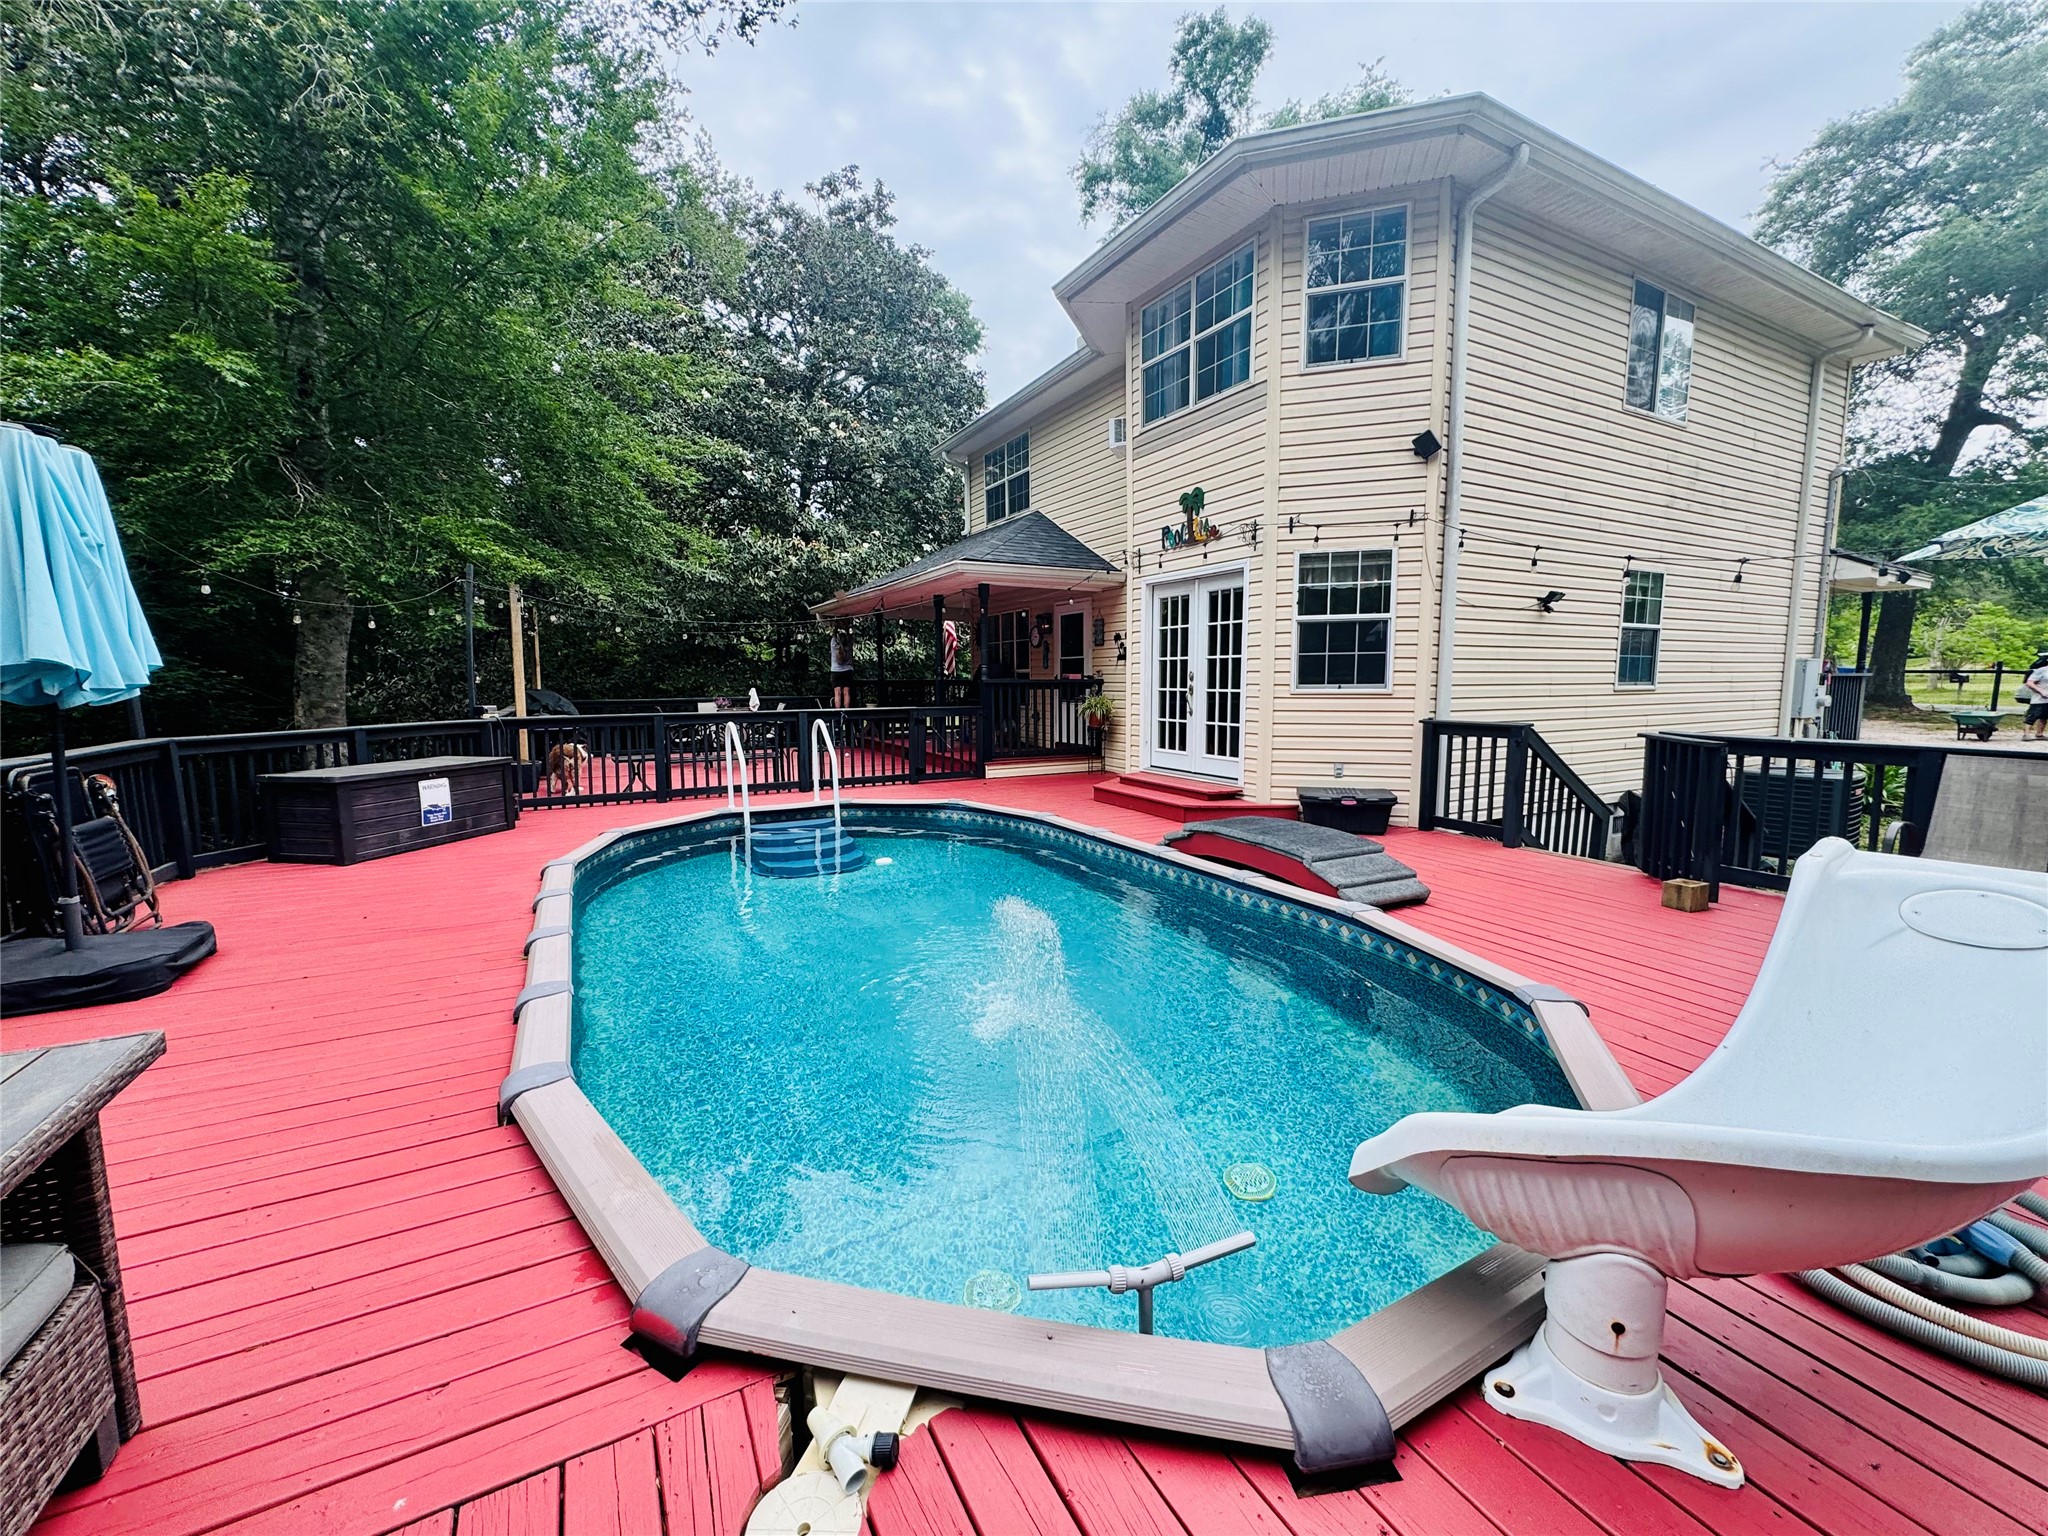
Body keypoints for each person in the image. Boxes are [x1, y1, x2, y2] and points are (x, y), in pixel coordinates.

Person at [2022, 651, 2048, 743]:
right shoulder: (2041, 671)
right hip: (2039, 698)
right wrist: (2041, 691)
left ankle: (2039, 733)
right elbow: (2029, 682)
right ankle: (2026, 734)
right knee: (2032, 715)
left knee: (2044, 717)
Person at [829, 623, 854, 709]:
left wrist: (836, 626)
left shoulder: (834, 645)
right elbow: (850, 635)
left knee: (837, 692)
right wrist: (846, 627)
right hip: (847, 671)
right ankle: (846, 712)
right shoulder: (849, 646)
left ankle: (838, 712)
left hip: (836, 671)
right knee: (846, 692)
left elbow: (834, 635)